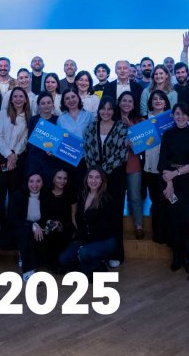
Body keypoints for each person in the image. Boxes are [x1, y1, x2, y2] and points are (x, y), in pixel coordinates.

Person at [82, 96, 129, 265]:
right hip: (95, 178)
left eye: (110, 109)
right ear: (99, 110)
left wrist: (102, 172)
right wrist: (96, 174)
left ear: (114, 111)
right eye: (103, 108)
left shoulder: (121, 127)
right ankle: (97, 252)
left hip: (115, 177)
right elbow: (87, 150)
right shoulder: (90, 127)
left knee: (114, 215)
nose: (106, 112)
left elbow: (121, 154)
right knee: (96, 215)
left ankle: (116, 254)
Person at [157, 104, 189, 275]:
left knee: (186, 221)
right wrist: (169, 182)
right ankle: (176, 257)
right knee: (173, 221)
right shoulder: (168, 135)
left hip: (187, 182)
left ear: (188, 116)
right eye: (177, 113)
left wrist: (175, 173)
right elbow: (163, 161)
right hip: (169, 182)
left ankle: (187, 257)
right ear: (173, 116)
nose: (180, 117)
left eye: (183, 114)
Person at [59, 168, 120, 273]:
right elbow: (80, 221)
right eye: (90, 177)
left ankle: (100, 267)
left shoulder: (106, 199)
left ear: (102, 180)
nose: (93, 180)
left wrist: (83, 245)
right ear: (86, 179)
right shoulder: (82, 196)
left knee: (84, 253)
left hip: (105, 241)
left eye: (97, 177)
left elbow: (103, 229)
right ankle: (88, 267)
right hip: (86, 239)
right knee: (63, 259)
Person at [0, 86, 31, 211]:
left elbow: (23, 140)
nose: (18, 99)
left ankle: (13, 219)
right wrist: (9, 155)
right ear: (11, 99)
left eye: (21, 96)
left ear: (25, 100)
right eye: (15, 96)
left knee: (15, 188)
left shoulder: (28, 117)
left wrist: (14, 156)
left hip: (17, 156)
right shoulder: (3, 113)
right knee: (0, 188)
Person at [142, 91, 171, 244]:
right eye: (155, 99)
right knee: (155, 201)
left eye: (161, 98)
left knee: (166, 201)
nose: (158, 101)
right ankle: (157, 234)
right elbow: (139, 144)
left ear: (166, 102)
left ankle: (167, 233)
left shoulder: (172, 119)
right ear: (150, 102)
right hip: (149, 167)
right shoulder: (144, 120)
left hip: (167, 169)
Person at [117, 91, 146, 239]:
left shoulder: (139, 121)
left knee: (135, 197)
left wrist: (129, 126)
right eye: (124, 100)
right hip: (116, 166)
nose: (127, 103)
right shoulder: (113, 119)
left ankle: (139, 226)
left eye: (130, 101)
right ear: (119, 103)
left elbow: (142, 147)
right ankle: (115, 227)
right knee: (116, 197)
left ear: (134, 105)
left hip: (133, 163)